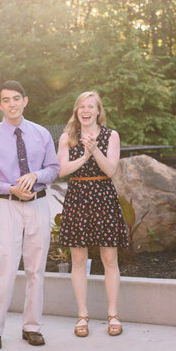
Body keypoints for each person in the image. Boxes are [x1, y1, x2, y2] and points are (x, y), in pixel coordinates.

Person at [0, 80, 60, 350]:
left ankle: (32, 327)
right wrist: (9, 187)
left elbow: (54, 168)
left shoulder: (41, 134)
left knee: (36, 269)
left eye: (16, 98)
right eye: (6, 100)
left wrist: (36, 175)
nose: (12, 104)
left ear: (25, 101)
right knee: (6, 268)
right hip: (7, 206)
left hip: (38, 204)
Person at [57, 91, 130, 338]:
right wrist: (85, 156)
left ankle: (113, 314)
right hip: (77, 197)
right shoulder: (67, 137)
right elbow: (62, 169)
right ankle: (82, 315)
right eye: (81, 106)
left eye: (91, 106)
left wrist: (95, 150)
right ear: (77, 111)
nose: (86, 110)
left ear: (99, 111)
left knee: (110, 259)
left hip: (103, 197)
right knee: (78, 261)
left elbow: (110, 170)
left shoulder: (111, 135)